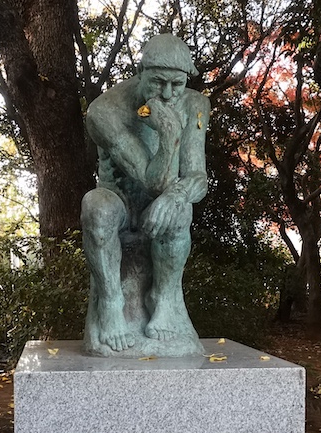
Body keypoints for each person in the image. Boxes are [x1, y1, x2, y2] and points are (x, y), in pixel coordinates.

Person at [81, 34, 209, 357]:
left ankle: (164, 301)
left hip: (161, 202)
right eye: (157, 83)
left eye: (176, 84)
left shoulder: (195, 105)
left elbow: (197, 177)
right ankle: (112, 303)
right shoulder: (105, 111)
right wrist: (168, 134)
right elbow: (151, 180)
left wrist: (177, 196)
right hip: (119, 199)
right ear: (141, 72)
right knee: (95, 208)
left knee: (181, 211)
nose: (167, 94)